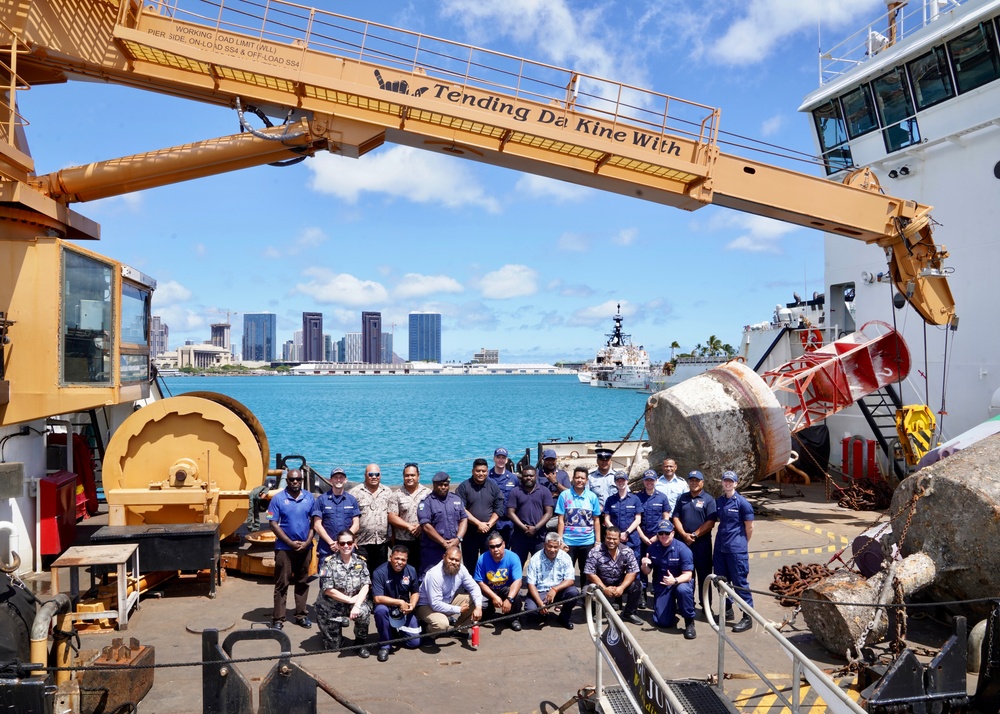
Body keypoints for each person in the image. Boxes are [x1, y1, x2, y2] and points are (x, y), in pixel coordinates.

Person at [266, 468, 315, 630]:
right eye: (292, 479)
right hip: (284, 549)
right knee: (282, 583)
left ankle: (301, 615)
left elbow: (314, 522)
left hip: (305, 547)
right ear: (287, 481)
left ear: (302, 480)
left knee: (302, 581)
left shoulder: (309, 497)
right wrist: (289, 542)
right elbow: (272, 523)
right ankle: (278, 618)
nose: (295, 482)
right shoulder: (277, 499)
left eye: (298, 479)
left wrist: (307, 542)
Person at [315, 530, 373, 657]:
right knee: (333, 647)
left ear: (354, 543)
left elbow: (365, 585)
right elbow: (328, 589)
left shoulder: (360, 561)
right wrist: (349, 600)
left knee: (363, 611)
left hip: (354, 603)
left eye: (349, 542)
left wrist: (356, 604)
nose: (346, 546)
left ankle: (359, 643)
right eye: (342, 543)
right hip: (331, 606)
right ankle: (335, 635)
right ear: (338, 544)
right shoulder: (329, 562)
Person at [640, 520, 697, 639]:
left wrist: (675, 580)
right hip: (662, 585)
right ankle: (670, 609)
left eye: (667, 533)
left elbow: (688, 575)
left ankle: (689, 621)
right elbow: (647, 572)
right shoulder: (652, 548)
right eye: (661, 533)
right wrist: (644, 566)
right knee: (663, 622)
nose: (664, 536)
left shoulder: (683, 549)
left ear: (672, 533)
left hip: (679, 582)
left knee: (683, 590)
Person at [671, 469, 717, 612]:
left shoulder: (709, 500)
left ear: (702, 482)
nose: (694, 483)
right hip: (683, 543)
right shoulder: (682, 498)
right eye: (692, 480)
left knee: (704, 575)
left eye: (697, 480)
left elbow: (711, 521)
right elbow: (676, 517)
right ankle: (686, 604)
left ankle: (706, 605)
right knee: (686, 574)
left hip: (702, 544)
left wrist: (695, 535)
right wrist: (684, 535)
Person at [714, 470, 754, 633]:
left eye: (731, 481)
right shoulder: (720, 501)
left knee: (739, 583)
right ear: (722, 483)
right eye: (725, 481)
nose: (728, 483)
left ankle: (747, 616)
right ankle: (728, 609)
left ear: (736, 484)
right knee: (721, 581)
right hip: (720, 549)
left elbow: (749, 527)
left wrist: (742, 544)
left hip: (736, 550)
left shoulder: (742, 503)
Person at [415, 545, 483, 639]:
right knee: (442, 624)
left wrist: (479, 607)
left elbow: (474, 587)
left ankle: (459, 630)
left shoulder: (461, 569)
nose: (454, 562)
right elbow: (435, 604)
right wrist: (458, 609)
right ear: (444, 557)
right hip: (426, 606)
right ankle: (427, 632)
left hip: (446, 601)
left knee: (474, 599)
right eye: (451, 559)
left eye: (457, 560)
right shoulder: (434, 574)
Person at [371, 544, 422, 662]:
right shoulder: (379, 572)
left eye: (403, 559)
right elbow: (377, 598)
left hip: (403, 609)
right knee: (380, 610)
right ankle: (385, 644)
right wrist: (399, 602)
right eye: (397, 558)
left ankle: (395, 632)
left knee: (414, 643)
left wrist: (412, 605)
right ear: (390, 557)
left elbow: (415, 592)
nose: (400, 562)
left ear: (407, 560)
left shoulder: (411, 570)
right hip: (387, 607)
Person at [584, 526, 642, 626]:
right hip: (599, 582)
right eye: (609, 538)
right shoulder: (595, 552)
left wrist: (622, 587)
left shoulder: (627, 551)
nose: (611, 541)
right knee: (586, 591)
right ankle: (595, 612)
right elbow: (590, 573)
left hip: (619, 582)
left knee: (637, 585)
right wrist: (604, 588)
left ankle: (629, 613)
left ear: (620, 539)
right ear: (604, 537)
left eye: (614, 539)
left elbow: (632, 572)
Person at [456, 458, 504, 573]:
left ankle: (487, 584)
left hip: (489, 531)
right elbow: (461, 509)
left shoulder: (494, 486)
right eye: (478, 471)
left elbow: (499, 508)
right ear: (473, 471)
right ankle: (471, 585)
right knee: (470, 561)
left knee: (488, 560)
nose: (481, 474)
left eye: (483, 471)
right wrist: (478, 524)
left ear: (487, 471)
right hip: (470, 532)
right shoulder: (464, 486)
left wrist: (488, 524)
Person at [524, 533, 580, 629]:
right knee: (530, 610)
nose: (553, 550)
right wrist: (540, 603)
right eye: (550, 546)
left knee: (573, 592)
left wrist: (555, 589)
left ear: (559, 546)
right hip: (540, 591)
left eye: (555, 547)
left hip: (558, 591)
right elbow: (531, 584)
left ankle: (564, 618)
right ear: (545, 545)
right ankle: (542, 614)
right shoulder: (535, 559)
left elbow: (570, 580)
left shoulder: (565, 557)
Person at [418, 471, 468, 573]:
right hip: (433, 549)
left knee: (452, 575)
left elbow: (464, 519)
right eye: (440, 485)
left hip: (454, 545)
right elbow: (426, 526)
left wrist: (458, 539)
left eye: (446, 485)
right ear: (434, 485)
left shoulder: (456, 499)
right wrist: (443, 542)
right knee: (430, 576)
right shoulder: (426, 502)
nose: (443, 487)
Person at [556, 466, 602, 575]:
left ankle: (585, 592)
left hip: (587, 542)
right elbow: (561, 520)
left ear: (586, 480)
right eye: (577, 477)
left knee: (587, 573)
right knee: (566, 572)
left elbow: (596, 521)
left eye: (582, 478)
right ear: (573, 479)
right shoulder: (564, 495)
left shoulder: (592, 497)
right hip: (568, 542)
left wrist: (598, 542)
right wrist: (560, 540)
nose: (579, 480)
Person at [474, 531, 524, 632]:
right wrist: (494, 597)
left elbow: (518, 581)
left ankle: (513, 618)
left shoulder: (513, 557)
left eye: (498, 545)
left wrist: (509, 599)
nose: (495, 549)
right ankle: (489, 610)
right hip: (489, 590)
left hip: (506, 589)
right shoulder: (482, 558)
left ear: (504, 544)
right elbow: (480, 582)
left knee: (516, 596)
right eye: (492, 547)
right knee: (479, 608)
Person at [636, 469, 671, 609]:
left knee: (659, 566)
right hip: (641, 538)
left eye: (652, 480)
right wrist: (643, 537)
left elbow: (666, 517)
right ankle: (642, 595)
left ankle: (658, 594)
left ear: (656, 481)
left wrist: (658, 536)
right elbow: (635, 519)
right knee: (642, 566)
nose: (649, 482)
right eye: (647, 480)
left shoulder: (662, 497)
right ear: (643, 481)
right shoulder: (637, 498)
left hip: (658, 538)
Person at [387, 462, 430, 574]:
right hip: (403, 540)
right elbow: (392, 517)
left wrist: (422, 526)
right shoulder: (396, 495)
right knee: (403, 570)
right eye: (407, 475)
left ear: (418, 476)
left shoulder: (428, 493)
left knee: (423, 568)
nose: (409, 478)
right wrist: (409, 527)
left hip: (424, 538)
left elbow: (434, 514)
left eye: (412, 475)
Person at [350, 463, 392, 575]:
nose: (374, 477)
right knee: (361, 574)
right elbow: (349, 517)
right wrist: (351, 538)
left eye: (377, 474)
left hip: (381, 542)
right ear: (365, 475)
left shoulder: (387, 492)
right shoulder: (355, 492)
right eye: (371, 474)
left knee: (379, 574)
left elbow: (392, 515)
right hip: (361, 543)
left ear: (380, 475)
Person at [507, 465, 554, 564]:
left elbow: (549, 513)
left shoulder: (544, 491)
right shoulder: (515, 491)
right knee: (516, 565)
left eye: (531, 476)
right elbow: (510, 513)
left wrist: (535, 528)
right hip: (519, 536)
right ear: (521, 477)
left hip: (539, 536)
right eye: (526, 476)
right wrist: (524, 528)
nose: (529, 478)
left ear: (536, 476)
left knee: (540, 565)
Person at [311, 467, 360, 561]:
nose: (338, 479)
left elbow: (356, 525)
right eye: (335, 477)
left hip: (347, 548)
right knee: (326, 575)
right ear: (330, 480)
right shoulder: (321, 500)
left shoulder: (352, 500)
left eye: (341, 477)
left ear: (345, 480)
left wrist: (342, 542)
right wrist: (331, 543)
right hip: (327, 548)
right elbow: (317, 525)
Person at [603, 471, 642, 562]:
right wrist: (617, 534)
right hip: (615, 540)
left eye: (623, 480)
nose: (621, 483)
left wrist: (626, 533)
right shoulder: (610, 500)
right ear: (615, 483)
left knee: (634, 568)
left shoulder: (635, 499)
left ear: (627, 481)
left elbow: (638, 519)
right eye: (618, 481)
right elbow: (607, 519)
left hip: (632, 539)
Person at [488, 447, 519, 544]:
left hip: (508, 522)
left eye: (503, 458)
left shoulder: (513, 478)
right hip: (491, 522)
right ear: (494, 459)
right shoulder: (487, 477)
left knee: (506, 549)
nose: (500, 460)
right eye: (498, 457)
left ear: (507, 460)